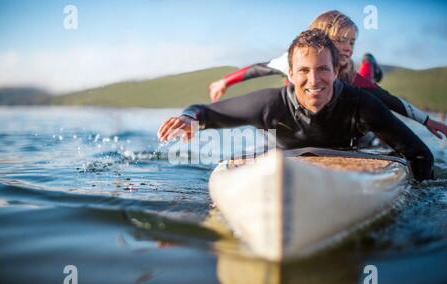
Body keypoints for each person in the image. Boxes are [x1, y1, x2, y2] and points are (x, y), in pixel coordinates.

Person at [158, 29, 433, 182]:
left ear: (336, 71)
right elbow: (204, 111)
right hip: (285, 155)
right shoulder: (269, 105)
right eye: (303, 70)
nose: (314, 80)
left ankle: (369, 66)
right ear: (289, 75)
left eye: (323, 69)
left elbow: (420, 155)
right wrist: (187, 118)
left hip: (360, 148)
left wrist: (412, 195)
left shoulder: (360, 104)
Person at [208, 10, 447, 140]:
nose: (347, 47)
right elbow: (258, 68)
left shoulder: (350, 74)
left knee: (367, 84)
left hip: (354, 90)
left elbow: (389, 100)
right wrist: (224, 82)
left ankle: (369, 63)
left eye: (352, 42)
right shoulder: (295, 59)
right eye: (341, 40)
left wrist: (427, 121)